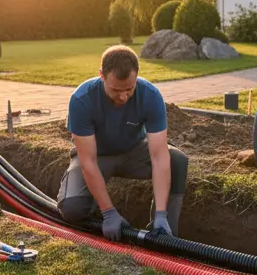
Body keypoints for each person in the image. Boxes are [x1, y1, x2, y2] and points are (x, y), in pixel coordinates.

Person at [56, 45, 189, 242]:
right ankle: (101, 220)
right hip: (98, 156)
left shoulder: (150, 96)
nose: (123, 96)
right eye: (116, 90)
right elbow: (88, 162)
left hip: (133, 151)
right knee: (72, 208)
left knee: (176, 160)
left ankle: (163, 233)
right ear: (102, 75)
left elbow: (159, 156)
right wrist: (108, 212)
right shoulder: (82, 100)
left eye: (129, 89)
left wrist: (161, 213)